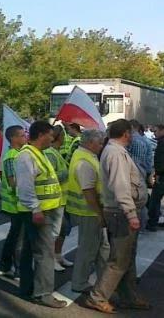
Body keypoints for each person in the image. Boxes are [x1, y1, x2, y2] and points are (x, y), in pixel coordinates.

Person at [83, 119, 150, 313]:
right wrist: (131, 214)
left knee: (126, 258)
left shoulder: (115, 151)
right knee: (119, 260)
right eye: (131, 133)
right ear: (126, 133)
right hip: (121, 213)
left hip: (121, 212)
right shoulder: (115, 153)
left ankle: (129, 296)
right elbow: (121, 186)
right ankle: (97, 297)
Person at [15, 120, 65, 308]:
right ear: (42, 134)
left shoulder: (38, 154)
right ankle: (44, 293)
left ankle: (28, 288)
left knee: (30, 251)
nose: (52, 139)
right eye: (50, 135)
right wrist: (36, 209)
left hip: (42, 211)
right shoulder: (27, 157)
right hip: (37, 212)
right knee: (45, 253)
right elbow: (25, 188)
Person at [66, 129, 110, 293]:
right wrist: (99, 214)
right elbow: (88, 192)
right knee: (88, 249)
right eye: (99, 143)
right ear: (90, 143)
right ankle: (79, 283)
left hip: (91, 212)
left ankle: (106, 279)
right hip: (89, 213)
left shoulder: (86, 156)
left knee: (102, 247)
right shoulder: (84, 162)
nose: (101, 146)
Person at [0, 125, 27, 279]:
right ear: (13, 138)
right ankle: (18, 270)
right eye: (22, 135)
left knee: (13, 237)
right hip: (16, 204)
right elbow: (12, 181)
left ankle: (4, 265)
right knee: (18, 239)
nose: (25, 137)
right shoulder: (11, 156)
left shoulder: (20, 153)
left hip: (20, 203)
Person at [44, 125, 73, 272]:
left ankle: (57, 255)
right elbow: (51, 176)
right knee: (54, 232)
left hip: (62, 198)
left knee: (63, 229)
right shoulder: (50, 153)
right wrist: (67, 173)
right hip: (55, 199)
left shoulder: (55, 152)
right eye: (63, 135)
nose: (65, 138)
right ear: (58, 137)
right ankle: (51, 260)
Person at [146, 125, 164, 231]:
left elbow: (160, 161)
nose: (154, 133)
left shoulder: (162, 143)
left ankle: (152, 223)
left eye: (156, 131)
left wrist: (157, 174)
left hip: (162, 177)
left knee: (155, 200)